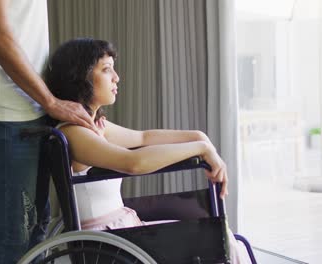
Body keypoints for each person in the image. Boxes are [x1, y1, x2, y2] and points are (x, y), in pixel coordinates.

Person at [45, 38, 251, 263]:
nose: (116, 77)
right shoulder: (75, 132)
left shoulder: (94, 127)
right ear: (80, 77)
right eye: (107, 70)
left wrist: (201, 138)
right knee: (224, 244)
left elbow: (144, 137)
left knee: (229, 241)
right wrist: (200, 148)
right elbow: (134, 162)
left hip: (123, 230)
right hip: (106, 242)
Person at [0, 1, 100, 263]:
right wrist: (51, 101)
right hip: (9, 113)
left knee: (37, 227)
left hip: (33, 107)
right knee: (14, 236)